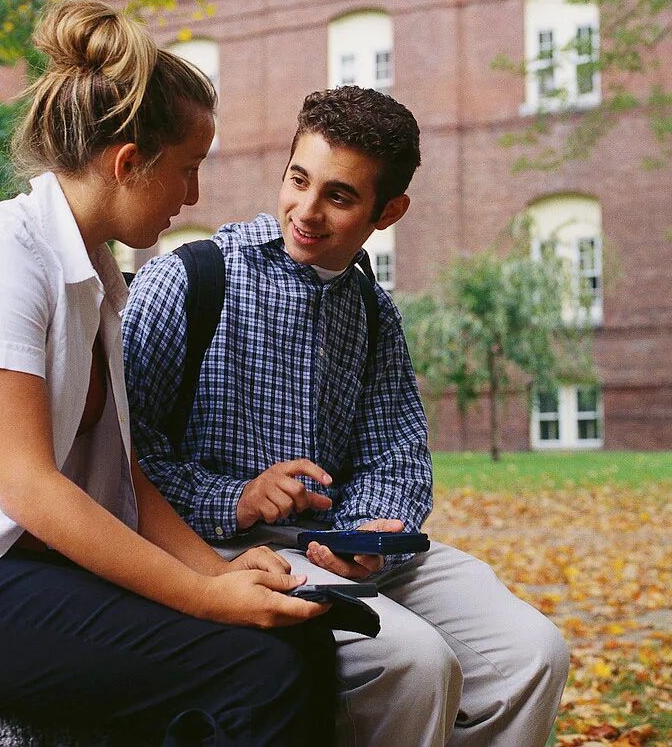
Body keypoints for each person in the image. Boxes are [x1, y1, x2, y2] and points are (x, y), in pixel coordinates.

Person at [0, 0, 336, 746]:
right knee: (258, 671)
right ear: (128, 164)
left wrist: (217, 575)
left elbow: (127, 482)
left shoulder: (93, 279)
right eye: (187, 171)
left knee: (299, 640)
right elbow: (29, 487)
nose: (194, 196)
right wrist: (200, 597)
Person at [122, 85, 571, 746]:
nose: (306, 210)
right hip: (220, 545)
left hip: (342, 546)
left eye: (338, 195)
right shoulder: (189, 279)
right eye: (298, 179)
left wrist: (368, 531)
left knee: (533, 654)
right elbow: (119, 452)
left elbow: (397, 452)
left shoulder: (371, 309)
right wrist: (238, 496)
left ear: (389, 211)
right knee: (416, 663)